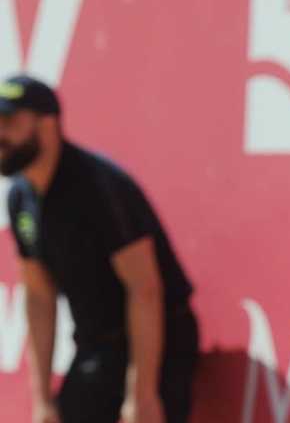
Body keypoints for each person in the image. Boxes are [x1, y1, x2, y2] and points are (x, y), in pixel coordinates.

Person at [0, 75, 199, 423]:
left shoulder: (100, 188)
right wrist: (42, 401)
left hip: (158, 340)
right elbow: (38, 296)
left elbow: (145, 290)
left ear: (48, 125)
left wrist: (142, 396)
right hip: (97, 345)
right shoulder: (20, 197)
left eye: (8, 122)